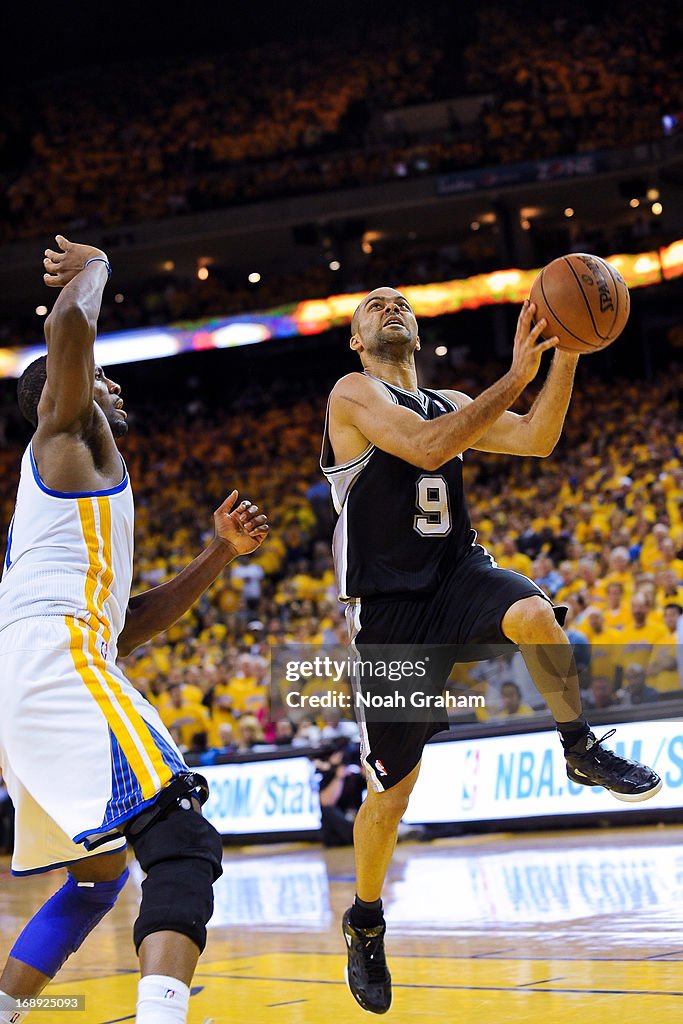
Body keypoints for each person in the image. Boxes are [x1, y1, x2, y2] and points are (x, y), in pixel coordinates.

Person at [320, 285, 662, 1014]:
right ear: (354, 338)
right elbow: (424, 446)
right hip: (388, 607)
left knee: (536, 613)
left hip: (456, 573)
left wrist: (566, 353)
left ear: (417, 329)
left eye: (400, 302)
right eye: (374, 304)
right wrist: (514, 373)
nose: (389, 306)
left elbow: (538, 436)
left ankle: (578, 745)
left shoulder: (448, 397)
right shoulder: (350, 392)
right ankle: (366, 919)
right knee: (392, 793)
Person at [0, 236, 269, 1024]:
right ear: (64, 390)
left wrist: (219, 551)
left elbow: (129, 627)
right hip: (56, 663)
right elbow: (69, 337)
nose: (113, 386)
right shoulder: (64, 433)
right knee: (184, 843)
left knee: (97, 877)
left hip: (31, 679)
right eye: (95, 379)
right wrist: (97, 269)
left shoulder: (73, 493)